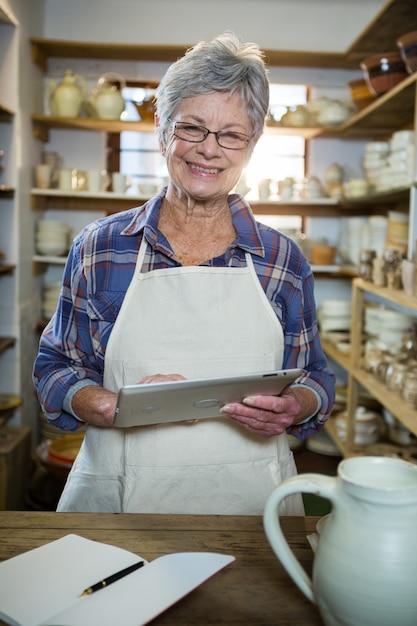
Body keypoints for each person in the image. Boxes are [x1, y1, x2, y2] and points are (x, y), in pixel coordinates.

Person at [33, 32, 335, 515]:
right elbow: (54, 367)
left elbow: (317, 375)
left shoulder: (282, 259)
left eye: (232, 134)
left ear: (252, 143)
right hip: (120, 503)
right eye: (192, 128)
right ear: (161, 128)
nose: (209, 150)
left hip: (251, 509)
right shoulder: (101, 247)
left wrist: (297, 404)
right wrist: (113, 406)